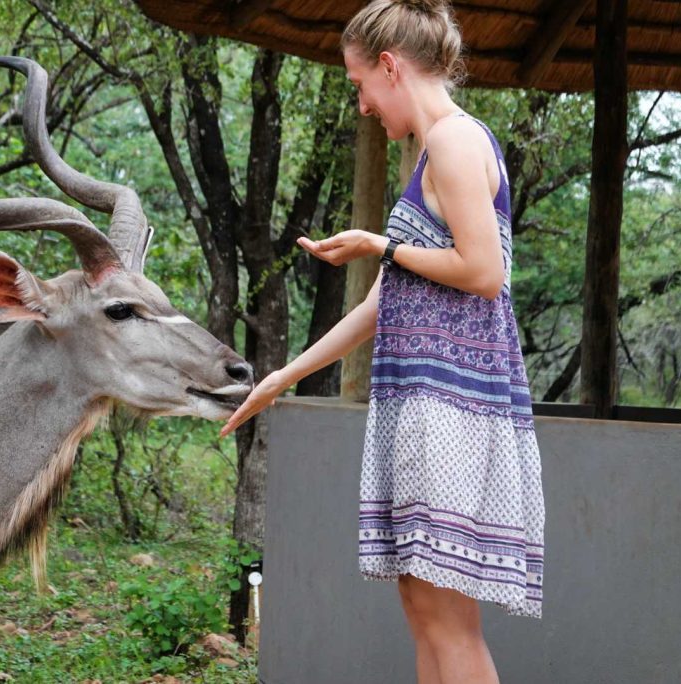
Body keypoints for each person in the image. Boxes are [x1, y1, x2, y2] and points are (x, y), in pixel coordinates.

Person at [220, 1, 545, 682]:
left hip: (452, 409)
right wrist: (284, 377)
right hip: (426, 409)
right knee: (425, 609)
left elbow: (485, 274)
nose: (363, 104)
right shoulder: (433, 154)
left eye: (359, 84)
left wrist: (380, 244)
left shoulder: (456, 142)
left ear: (391, 68)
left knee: (448, 623)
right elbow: (382, 301)